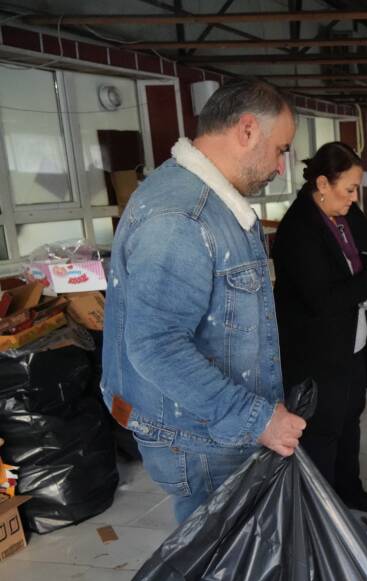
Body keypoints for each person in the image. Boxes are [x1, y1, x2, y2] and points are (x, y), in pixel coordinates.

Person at [102, 79, 306, 524]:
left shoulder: (213, 205)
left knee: (235, 561)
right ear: (247, 130)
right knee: (222, 571)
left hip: (211, 425)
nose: (279, 167)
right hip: (199, 437)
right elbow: (156, 346)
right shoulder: (182, 216)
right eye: (281, 149)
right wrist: (257, 418)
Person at [272, 142, 367, 512]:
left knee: (350, 419)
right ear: (322, 183)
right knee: (322, 431)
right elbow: (324, 299)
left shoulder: (346, 215)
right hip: (317, 351)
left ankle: (349, 491)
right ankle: (324, 514)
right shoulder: (298, 230)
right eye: (349, 188)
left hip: (352, 343)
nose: (354, 198)